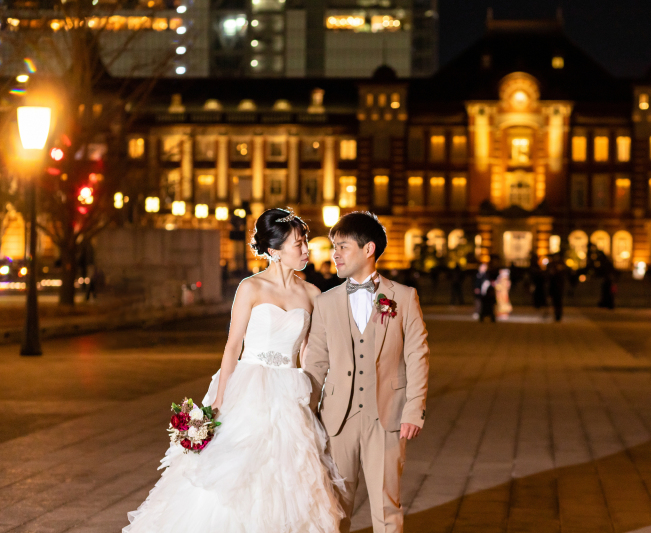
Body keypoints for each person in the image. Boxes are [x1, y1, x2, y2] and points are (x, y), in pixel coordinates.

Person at [124, 207, 344, 533]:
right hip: (250, 385)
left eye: (305, 241)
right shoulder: (250, 288)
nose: (305, 249)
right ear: (274, 250)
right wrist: (219, 399)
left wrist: (316, 395)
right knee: (236, 469)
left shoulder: (312, 293)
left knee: (288, 472)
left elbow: (309, 352)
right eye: (298, 244)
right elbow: (232, 347)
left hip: (289, 390)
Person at [305, 211, 430, 533]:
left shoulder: (404, 297)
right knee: (334, 506)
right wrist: (305, 412)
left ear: (368, 249)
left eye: (342, 247)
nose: (334, 254)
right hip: (337, 419)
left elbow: (417, 356)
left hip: (387, 416)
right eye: (334, 247)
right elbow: (316, 362)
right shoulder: (326, 302)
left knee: (387, 506)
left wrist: (413, 410)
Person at [548, 253, 567, 322]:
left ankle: (558, 315)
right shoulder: (552, 265)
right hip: (554, 287)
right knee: (555, 302)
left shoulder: (561, 265)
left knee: (558, 302)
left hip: (559, 287)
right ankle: (557, 315)